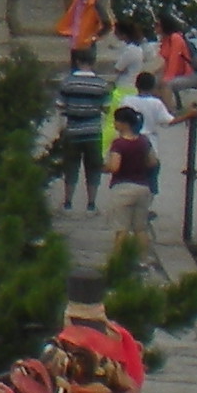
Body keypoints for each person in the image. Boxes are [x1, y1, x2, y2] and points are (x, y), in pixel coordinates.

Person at [52, 47, 114, 212]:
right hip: (93, 131)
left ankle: (67, 203)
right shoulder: (102, 84)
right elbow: (107, 108)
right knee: (93, 168)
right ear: (94, 62)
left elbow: (59, 105)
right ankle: (91, 205)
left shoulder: (67, 82)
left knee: (71, 167)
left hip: (72, 130)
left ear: (77, 61)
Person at [106, 106, 162, 249]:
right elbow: (153, 162)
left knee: (121, 230)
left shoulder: (119, 144)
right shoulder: (143, 141)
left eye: (116, 121)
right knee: (140, 229)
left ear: (124, 123)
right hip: (143, 188)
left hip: (123, 188)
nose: (114, 124)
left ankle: (118, 262)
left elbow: (114, 167)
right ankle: (142, 260)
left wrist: (103, 167)